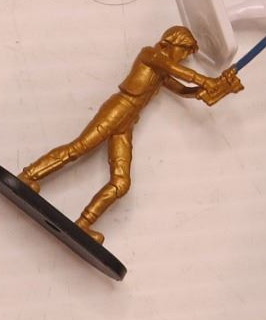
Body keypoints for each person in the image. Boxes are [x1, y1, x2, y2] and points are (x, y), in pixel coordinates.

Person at [17, 28, 241, 241]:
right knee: (78, 149)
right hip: (118, 108)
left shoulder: (163, 72)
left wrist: (221, 87)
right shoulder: (151, 54)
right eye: (184, 51)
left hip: (127, 122)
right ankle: (28, 176)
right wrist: (207, 81)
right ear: (171, 43)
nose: (183, 57)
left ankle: (83, 223)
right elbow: (181, 72)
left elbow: (185, 91)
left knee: (121, 182)